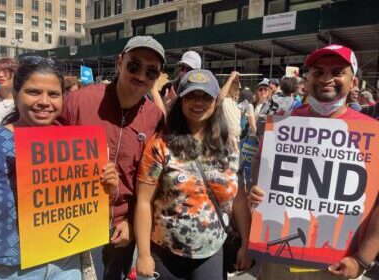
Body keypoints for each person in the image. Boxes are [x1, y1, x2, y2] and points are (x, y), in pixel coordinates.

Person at [248, 44, 376, 280]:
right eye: (318, 72)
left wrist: (362, 260)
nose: (326, 79)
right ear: (307, 79)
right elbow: (259, 161)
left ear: (354, 82)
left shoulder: (371, 133)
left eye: (337, 72)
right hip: (279, 262)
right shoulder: (283, 124)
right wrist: (257, 189)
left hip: (336, 266)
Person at [58, 35, 165, 280]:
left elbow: (152, 182)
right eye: (134, 65)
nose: (140, 76)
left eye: (151, 72)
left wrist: (130, 222)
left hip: (122, 230)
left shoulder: (154, 117)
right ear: (120, 62)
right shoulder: (79, 101)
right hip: (76, 222)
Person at [135, 69, 252, 280]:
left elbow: (240, 199)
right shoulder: (160, 145)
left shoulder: (230, 146)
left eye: (205, 97)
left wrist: (246, 242)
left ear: (216, 101)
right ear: (180, 100)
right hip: (165, 252)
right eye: (191, 96)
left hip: (212, 252)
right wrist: (143, 254)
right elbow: (144, 201)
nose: (198, 103)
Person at [0, 57, 81, 279]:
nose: (44, 101)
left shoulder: (74, 144)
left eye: (53, 94)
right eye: (33, 92)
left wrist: (105, 185)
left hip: (65, 262)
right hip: (8, 270)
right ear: (16, 95)